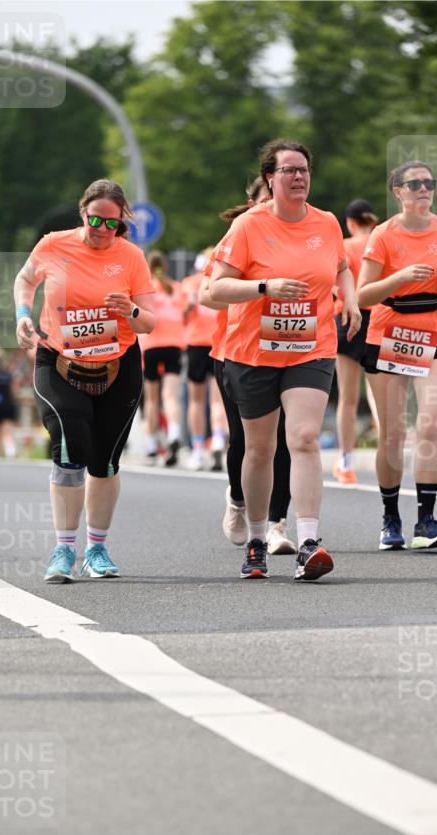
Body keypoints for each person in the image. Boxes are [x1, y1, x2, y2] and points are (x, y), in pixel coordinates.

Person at [211, 139, 360, 580]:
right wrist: (264, 288)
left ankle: (309, 541)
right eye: (289, 170)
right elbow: (212, 291)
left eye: (304, 170)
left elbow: (341, 267)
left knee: (306, 437)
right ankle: (257, 541)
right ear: (270, 179)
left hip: (311, 347)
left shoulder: (327, 223)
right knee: (259, 448)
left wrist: (348, 299)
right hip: (252, 351)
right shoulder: (248, 227)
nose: (298, 177)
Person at [14, 178, 155, 582]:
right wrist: (23, 314)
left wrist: (129, 309)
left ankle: (96, 547)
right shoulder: (53, 245)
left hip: (118, 366)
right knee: (70, 445)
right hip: (58, 361)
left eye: (112, 223)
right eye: (95, 220)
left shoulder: (131, 257)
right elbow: (25, 280)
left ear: (121, 222)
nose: (102, 229)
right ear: (83, 212)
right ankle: (63, 550)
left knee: (105, 462)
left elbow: (149, 322)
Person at [356, 159, 437, 550]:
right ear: (398, 193)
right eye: (414, 183)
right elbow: (363, 294)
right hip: (389, 334)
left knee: (429, 425)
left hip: (435, 332)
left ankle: (427, 522)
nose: (424, 189)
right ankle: (390, 520)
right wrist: (400, 278)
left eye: (429, 183)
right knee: (392, 434)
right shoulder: (383, 235)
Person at [200, 177, 296, 556]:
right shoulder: (237, 238)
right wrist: (257, 289)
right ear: (252, 202)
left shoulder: (303, 236)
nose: (274, 206)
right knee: (246, 441)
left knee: (286, 440)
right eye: (266, 199)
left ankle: (276, 524)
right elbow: (207, 296)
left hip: (291, 350)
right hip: (235, 353)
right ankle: (238, 499)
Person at [332, 198, 379, 485]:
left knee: (347, 399)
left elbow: (332, 284)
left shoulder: (345, 247)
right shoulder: (381, 244)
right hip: (379, 318)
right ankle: (388, 454)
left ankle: (347, 463)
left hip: (347, 317)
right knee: (379, 395)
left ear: (350, 222)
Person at [181, 249, 228, 471]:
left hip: (196, 343)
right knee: (218, 398)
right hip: (219, 342)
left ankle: (198, 448)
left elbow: (178, 316)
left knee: (196, 400)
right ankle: (218, 438)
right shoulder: (225, 281)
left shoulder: (190, 283)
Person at [140, 251, 186, 467]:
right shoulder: (176, 288)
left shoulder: (146, 288)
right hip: (174, 345)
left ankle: (150, 445)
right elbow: (185, 315)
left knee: (151, 399)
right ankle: (174, 433)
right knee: (171, 395)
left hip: (151, 345)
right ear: (165, 266)